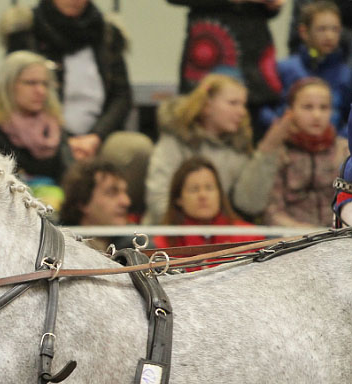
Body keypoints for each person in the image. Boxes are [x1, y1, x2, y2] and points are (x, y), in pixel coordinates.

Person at [0, 0, 151, 215]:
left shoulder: (107, 33)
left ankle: (119, 228)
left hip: (98, 136)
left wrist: (96, 136)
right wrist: (64, 141)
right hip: (44, 130)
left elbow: (122, 96)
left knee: (137, 149)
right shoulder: (26, 31)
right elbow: (20, 91)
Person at [143, 74, 289, 225]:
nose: (242, 112)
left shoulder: (238, 149)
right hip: (171, 235)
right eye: (233, 103)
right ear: (206, 106)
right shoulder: (174, 142)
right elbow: (158, 200)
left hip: (217, 235)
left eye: (243, 105)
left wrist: (267, 151)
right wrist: (193, 235)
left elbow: (249, 204)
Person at [167, 0, 284, 135]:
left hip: (254, 48)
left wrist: (274, 5)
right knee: (200, 116)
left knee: (254, 120)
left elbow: (270, 11)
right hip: (213, 44)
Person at [0, 51, 73, 211]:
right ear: (8, 86)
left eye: (45, 84)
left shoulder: (55, 126)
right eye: (31, 83)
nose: (40, 91)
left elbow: (70, 177)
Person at [265, 78, 348, 228]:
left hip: (339, 238)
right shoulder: (279, 152)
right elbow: (271, 211)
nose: (317, 115)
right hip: (291, 240)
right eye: (307, 107)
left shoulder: (345, 151)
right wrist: (307, 234)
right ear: (290, 111)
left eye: (324, 107)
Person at [265, 1, 352, 137]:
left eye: (335, 29)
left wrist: (339, 138)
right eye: (322, 29)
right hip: (288, 145)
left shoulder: (346, 75)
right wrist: (280, 126)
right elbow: (265, 107)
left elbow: (348, 117)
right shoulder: (285, 68)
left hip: (333, 149)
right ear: (304, 32)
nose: (329, 36)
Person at [153, 156, 258, 253]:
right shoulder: (162, 245)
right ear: (178, 199)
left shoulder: (249, 237)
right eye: (194, 189)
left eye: (209, 188)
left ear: (220, 194)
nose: (203, 195)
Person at [59, 159, 133, 252]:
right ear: (82, 202)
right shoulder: (57, 249)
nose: (126, 202)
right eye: (112, 193)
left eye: (125, 192)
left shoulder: (139, 247)